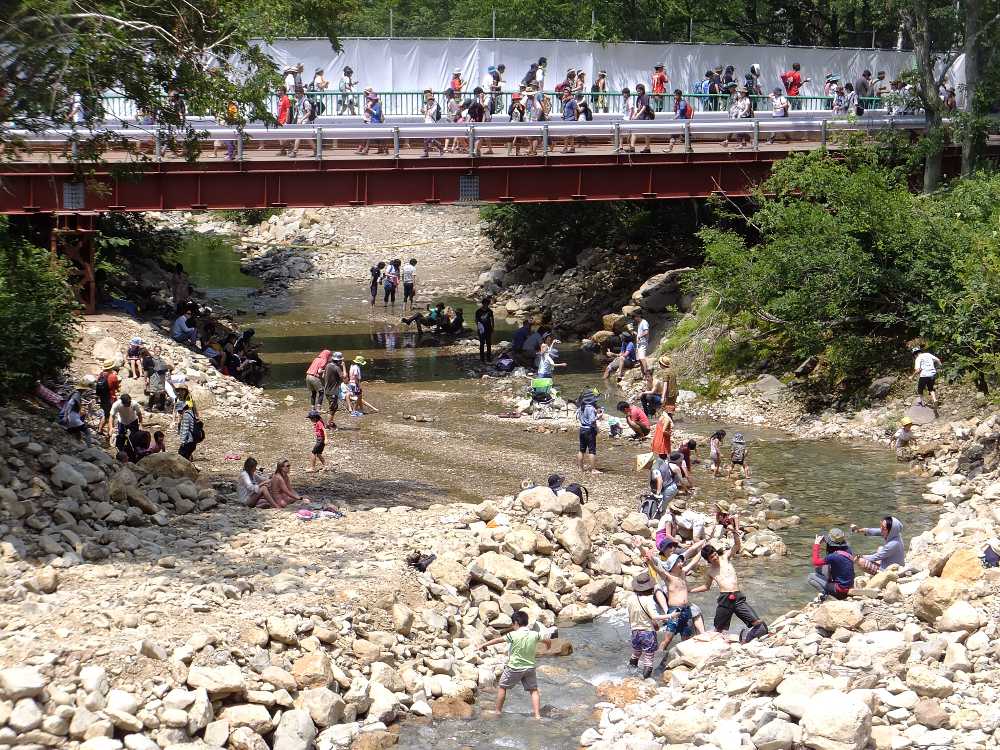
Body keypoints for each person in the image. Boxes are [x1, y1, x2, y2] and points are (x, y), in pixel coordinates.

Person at [689, 530, 766, 637]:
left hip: (738, 597)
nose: (715, 557)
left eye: (715, 554)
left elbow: (737, 545)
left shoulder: (726, 557)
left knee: (760, 625)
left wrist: (735, 533)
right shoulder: (710, 571)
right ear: (708, 560)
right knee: (718, 630)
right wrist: (690, 590)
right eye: (712, 557)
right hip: (725, 600)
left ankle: (745, 638)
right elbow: (706, 587)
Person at [479, 610, 552, 719]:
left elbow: (498, 640)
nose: (513, 626)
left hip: (514, 667)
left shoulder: (513, 635)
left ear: (516, 623)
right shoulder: (534, 634)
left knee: (502, 687)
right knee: (534, 690)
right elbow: (547, 640)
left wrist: (484, 644)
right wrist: (548, 646)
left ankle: (498, 712)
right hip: (530, 668)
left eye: (513, 624)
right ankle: (537, 715)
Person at [645, 539, 707, 657]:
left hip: (686, 610)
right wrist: (650, 561)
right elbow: (658, 568)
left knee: (686, 637)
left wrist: (701, 550)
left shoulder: (683, 573)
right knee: (667, 639)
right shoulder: (668, 577)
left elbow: (693, 562)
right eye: (679, 562)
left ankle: (685, 658)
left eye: (681, 561)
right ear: (672, 566)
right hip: (675, 611)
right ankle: (657, 657)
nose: (681, 563)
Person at [626, 571, 673, 679]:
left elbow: (630, 616)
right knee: (648, 659)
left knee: (636, 653)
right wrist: (671, 615)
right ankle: (644, 681)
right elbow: (655, 617)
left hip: (634, 631)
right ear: (650, 588)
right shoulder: (649, 600)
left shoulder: (630, 599)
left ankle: (630, 675)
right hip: (647, 632)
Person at [809, 528, 856, 600]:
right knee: (819, 569)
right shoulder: (847, 549)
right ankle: (829, 585)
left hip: (840, 591)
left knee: (810, 577)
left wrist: (816, 544)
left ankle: (825, 594)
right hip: (849, 585)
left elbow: (815, 562)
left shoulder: (834, 556)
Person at [110, 393, 143, 457]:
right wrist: (111, 427)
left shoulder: (134, 404)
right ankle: (121, 453)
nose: (129, 404)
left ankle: (135, 451)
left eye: (129, 402)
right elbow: (111, 416)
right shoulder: (117, 405)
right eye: (127, 403)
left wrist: (141, 424)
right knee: (121, 438)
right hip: (122, 422)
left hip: (133, 421)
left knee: (135, 436)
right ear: (122, 403)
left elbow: (139, 414)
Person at [576, 390, 601, 474]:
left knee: (581, 450)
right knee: (592, 450)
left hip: (582, 429)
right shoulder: (590, 408)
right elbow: (592, 420)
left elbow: (579, 418)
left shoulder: (581, 407)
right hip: (589, 430)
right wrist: (598, 416)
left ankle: (580, 468)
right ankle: (593, 469)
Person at [95, 360, 121, 438]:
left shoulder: (101, 375)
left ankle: (100, 430)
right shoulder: (113, 376)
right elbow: (117, 387)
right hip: (110, 398)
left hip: (102, 397)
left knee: (106, 414)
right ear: (112, 367)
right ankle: (109, 433)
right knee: (111, 415)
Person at [912, 345, 942, 411]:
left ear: (915, 354)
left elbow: (918, 370)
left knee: (920, 389)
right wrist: (940, 368)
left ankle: (922, 403)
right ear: (920, 351)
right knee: (931, 388)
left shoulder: (918, 358)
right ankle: (934, 399)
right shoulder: (928, 354)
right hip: (932, 374)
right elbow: (938, 360)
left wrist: (912, 376)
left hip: (924, 375)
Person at [288, 86, 315, 159]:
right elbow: (298, 111)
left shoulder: (305, 101)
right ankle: (316, 150)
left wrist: (302, 119)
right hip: (300, 120)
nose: (297, 94)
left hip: (304, 121)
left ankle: (294, 152)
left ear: (302, 93)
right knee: (307, 137)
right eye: (296, 93)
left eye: (298, 93)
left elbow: (308, 113)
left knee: (298, 135)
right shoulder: (298, 100)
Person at [627, 83, 654, 154]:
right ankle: (633, 147)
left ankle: (647, 148)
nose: (638, 92)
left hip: (646, 117)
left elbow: (644, 107)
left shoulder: (645, 97)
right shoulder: (639, 98)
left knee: (646, 133)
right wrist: (635, 114)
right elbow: (638, 108)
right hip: (641, 117)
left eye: (639, 91)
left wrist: (637, 115)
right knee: (634, 131)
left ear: (643, 90)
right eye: (637, 91)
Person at [629, 311, 650, 376]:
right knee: (639, 360)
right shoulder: (640, 323)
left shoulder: (644, 322)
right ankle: (643, 373)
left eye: (634, 317)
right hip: (639, 343)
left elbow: (646, 332)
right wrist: (635, 333)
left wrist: (639, 336)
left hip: (643, 342)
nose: (634, 319)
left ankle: (647, 373)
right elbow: (640, 333)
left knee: (642, 358)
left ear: (638, 316)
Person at [475, 297, 495, 363]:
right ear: (483, 304)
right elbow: (476, 320)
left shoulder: (490, 311)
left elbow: (492, 320)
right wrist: (478, 328)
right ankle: (482, 358)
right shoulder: (478, 311)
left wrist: (493, 328)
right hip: (481, 330)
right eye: (485, 304)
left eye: (487, 304)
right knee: (482, 344)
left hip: (489, 329)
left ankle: (488, 358)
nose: (486, 305)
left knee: (489, 344)